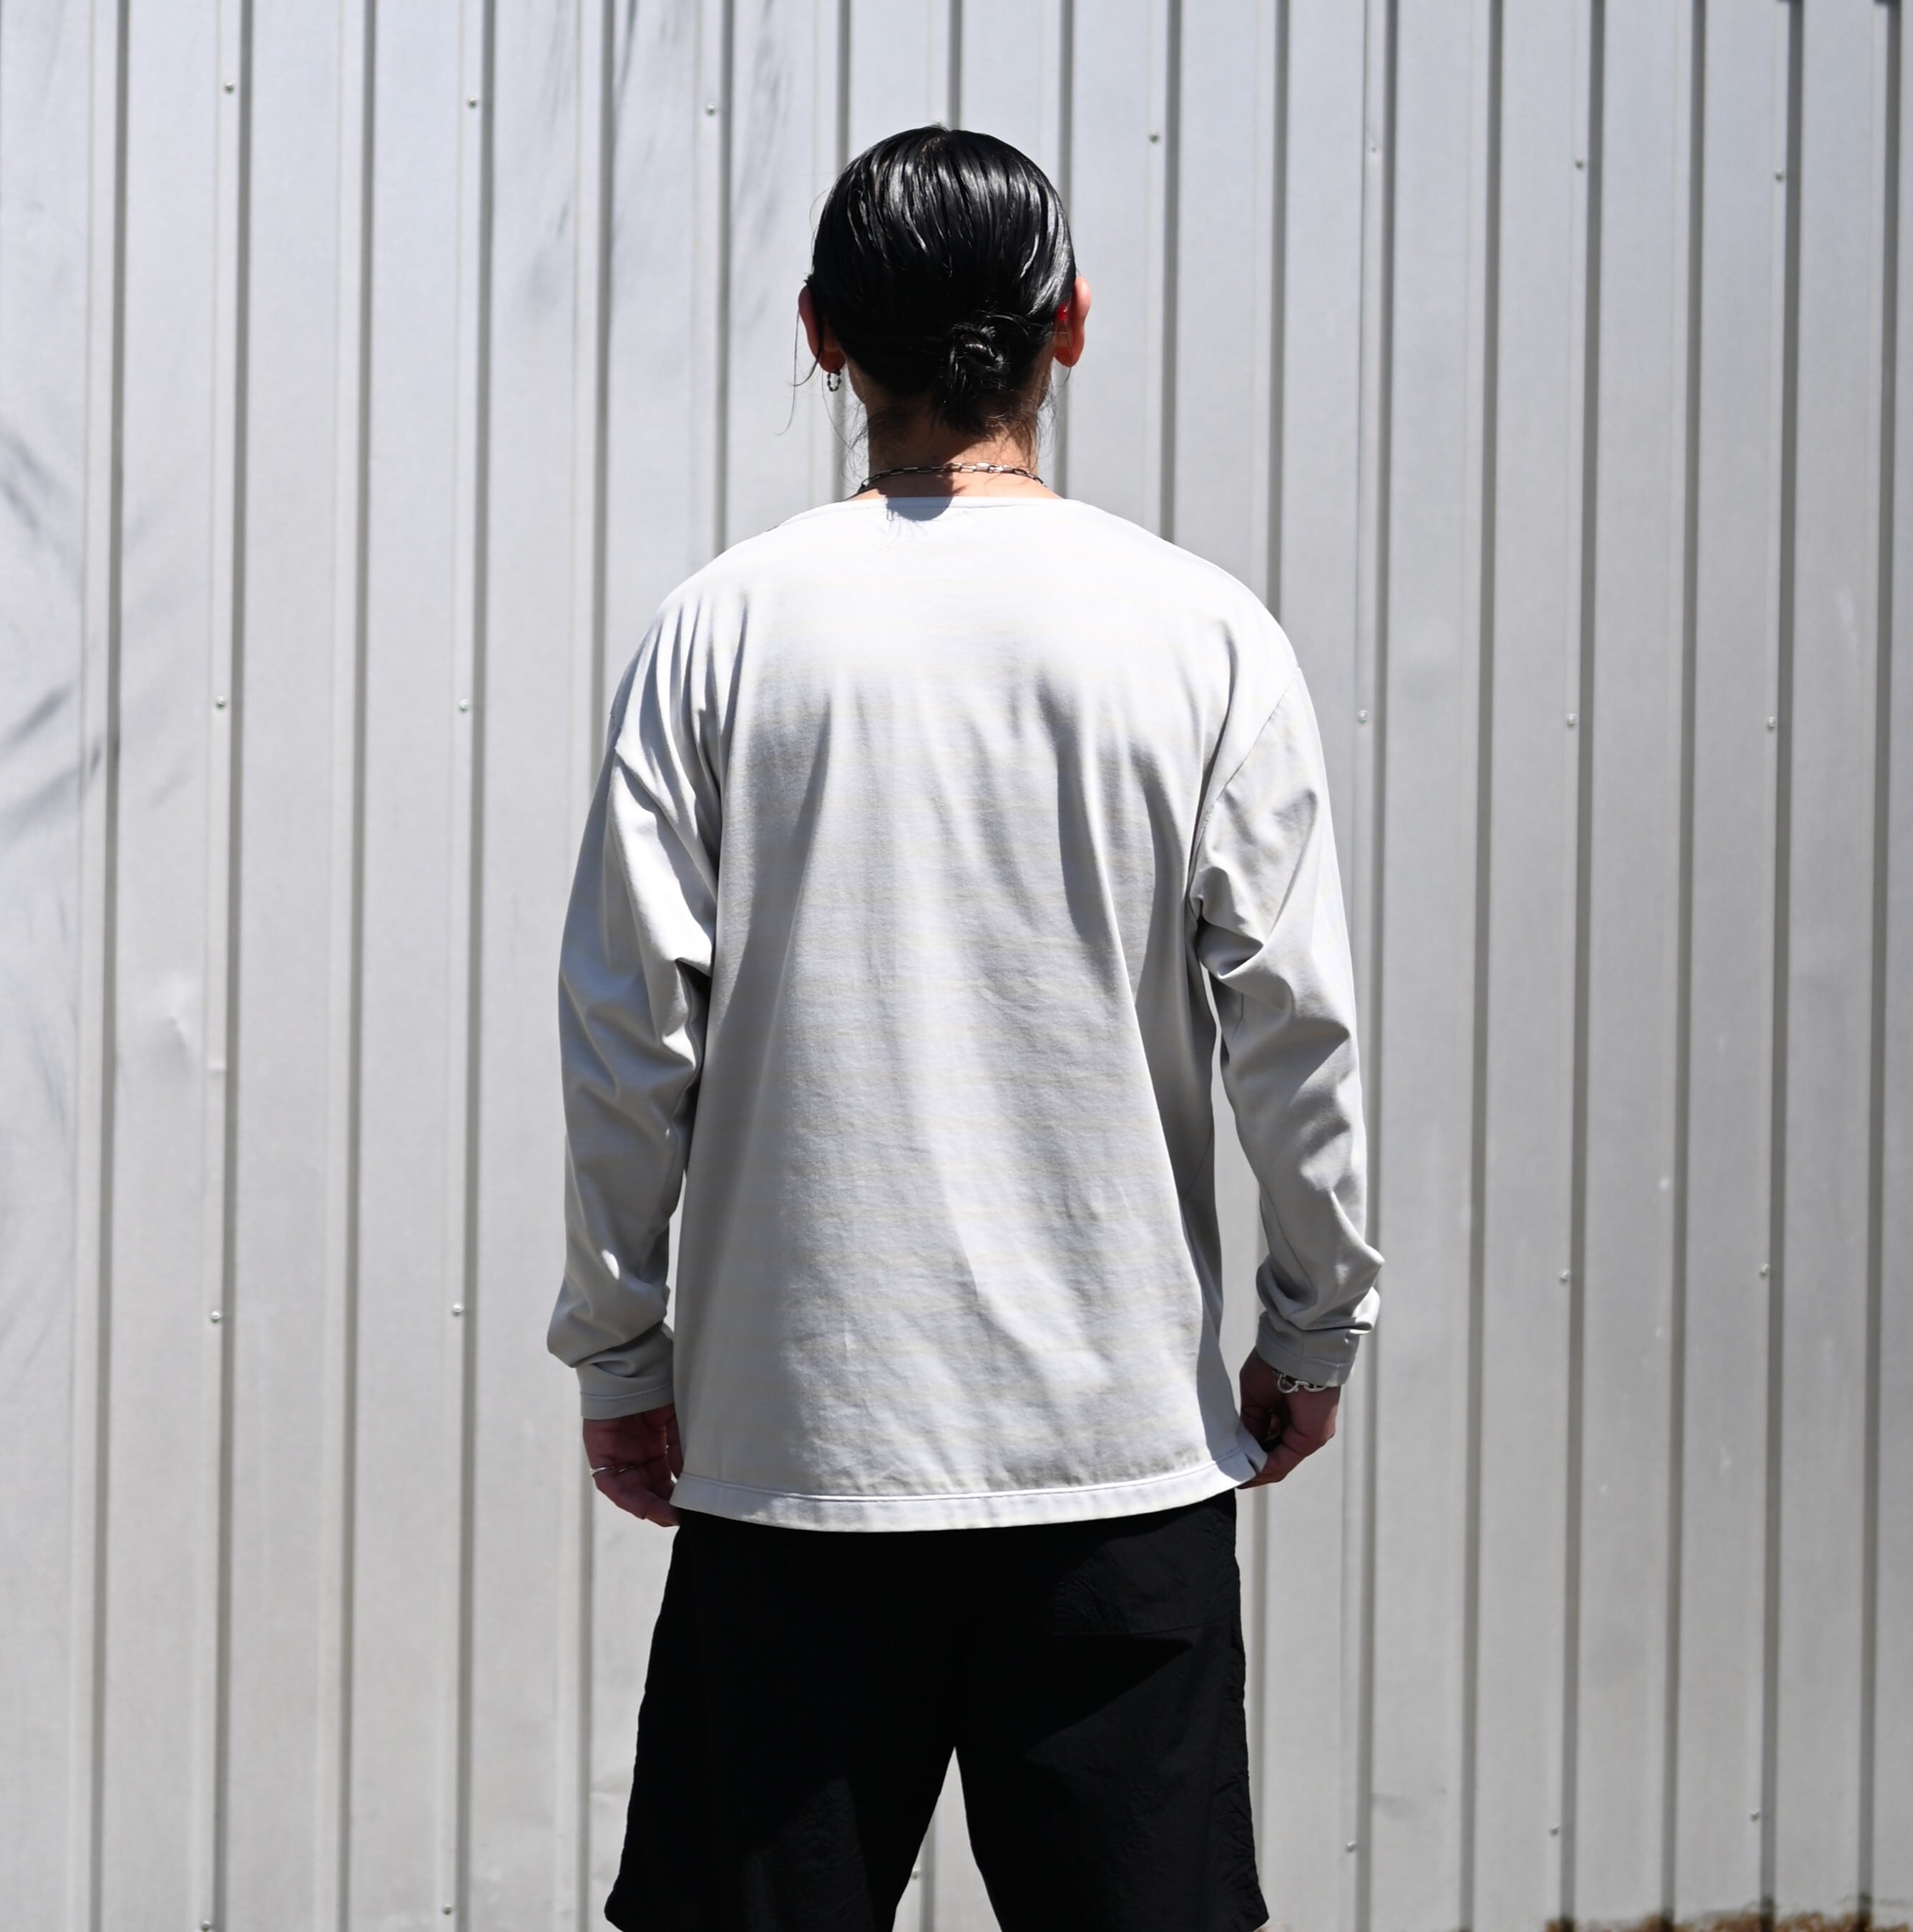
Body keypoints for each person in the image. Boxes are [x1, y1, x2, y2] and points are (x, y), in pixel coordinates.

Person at [548, 124, 1381, 1932]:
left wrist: (621, 1350)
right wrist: (1311, 1323)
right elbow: (1293, 1024)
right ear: (1068, 323)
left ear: (821, 333)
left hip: (798, 1457)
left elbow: (627, 1032)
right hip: (1116, 1465)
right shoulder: (1201, 632)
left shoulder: (723, 629)